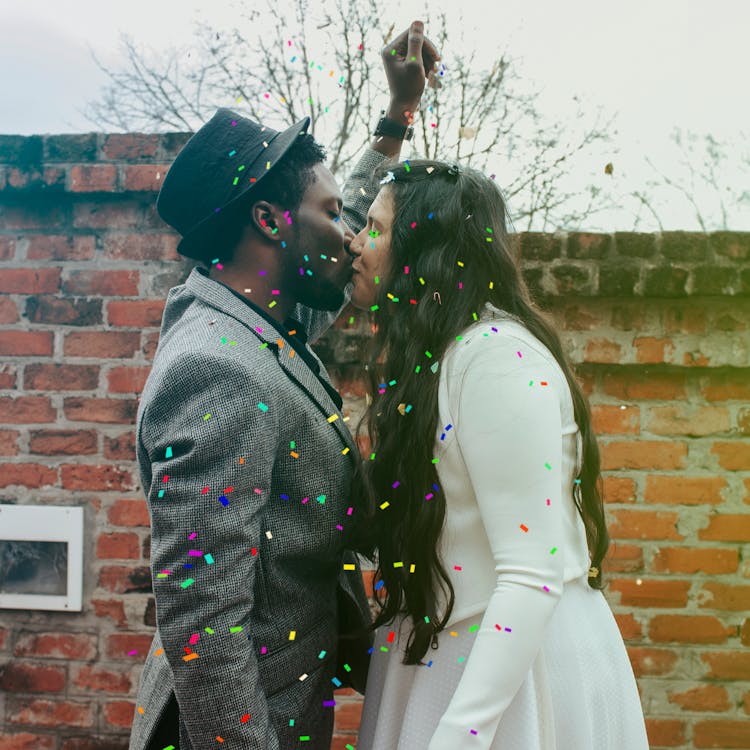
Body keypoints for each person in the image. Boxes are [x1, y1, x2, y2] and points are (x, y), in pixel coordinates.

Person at [128, 22, 441, 750]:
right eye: (333, 216)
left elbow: (342, 219)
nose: (353, 235)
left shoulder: (255, 318)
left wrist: (396, 119)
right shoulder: (219, 367)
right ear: (269, 222)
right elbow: (204, 619)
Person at [346, 159, 650, 749]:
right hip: (449, 657)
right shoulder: (436, 362)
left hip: (509, 680)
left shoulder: (497, 361)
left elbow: (530, 572)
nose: (357, 242)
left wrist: (459, 736)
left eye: (377, 229)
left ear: (422, 251)